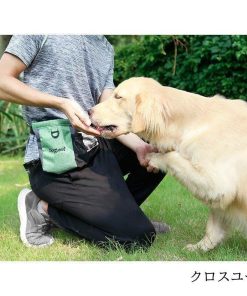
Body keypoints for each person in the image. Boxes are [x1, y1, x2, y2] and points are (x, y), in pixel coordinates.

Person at [0, 35, 169, 249]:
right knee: (138, 238)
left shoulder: (104, 46)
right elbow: (2, 80)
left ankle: (124, 217)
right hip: (57, 155)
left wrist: (139, 146)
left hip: (96, 146)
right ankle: (42, 209)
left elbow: (108, 107)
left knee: (160, 150)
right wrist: (60, 103)